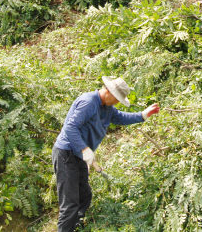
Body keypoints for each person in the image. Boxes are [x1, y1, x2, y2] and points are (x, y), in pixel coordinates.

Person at [52, 76, 160, 232]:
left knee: (84, 197)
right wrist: (84, 149)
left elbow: (121, 117)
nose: (117, 103)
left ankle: (76, 228)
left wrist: (143, 115)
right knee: (69, 204)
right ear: (108, 91)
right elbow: (70, 128)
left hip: (79, 156)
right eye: (116, 99)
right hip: (66, 154)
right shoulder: (89, 102)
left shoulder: (107, 107)